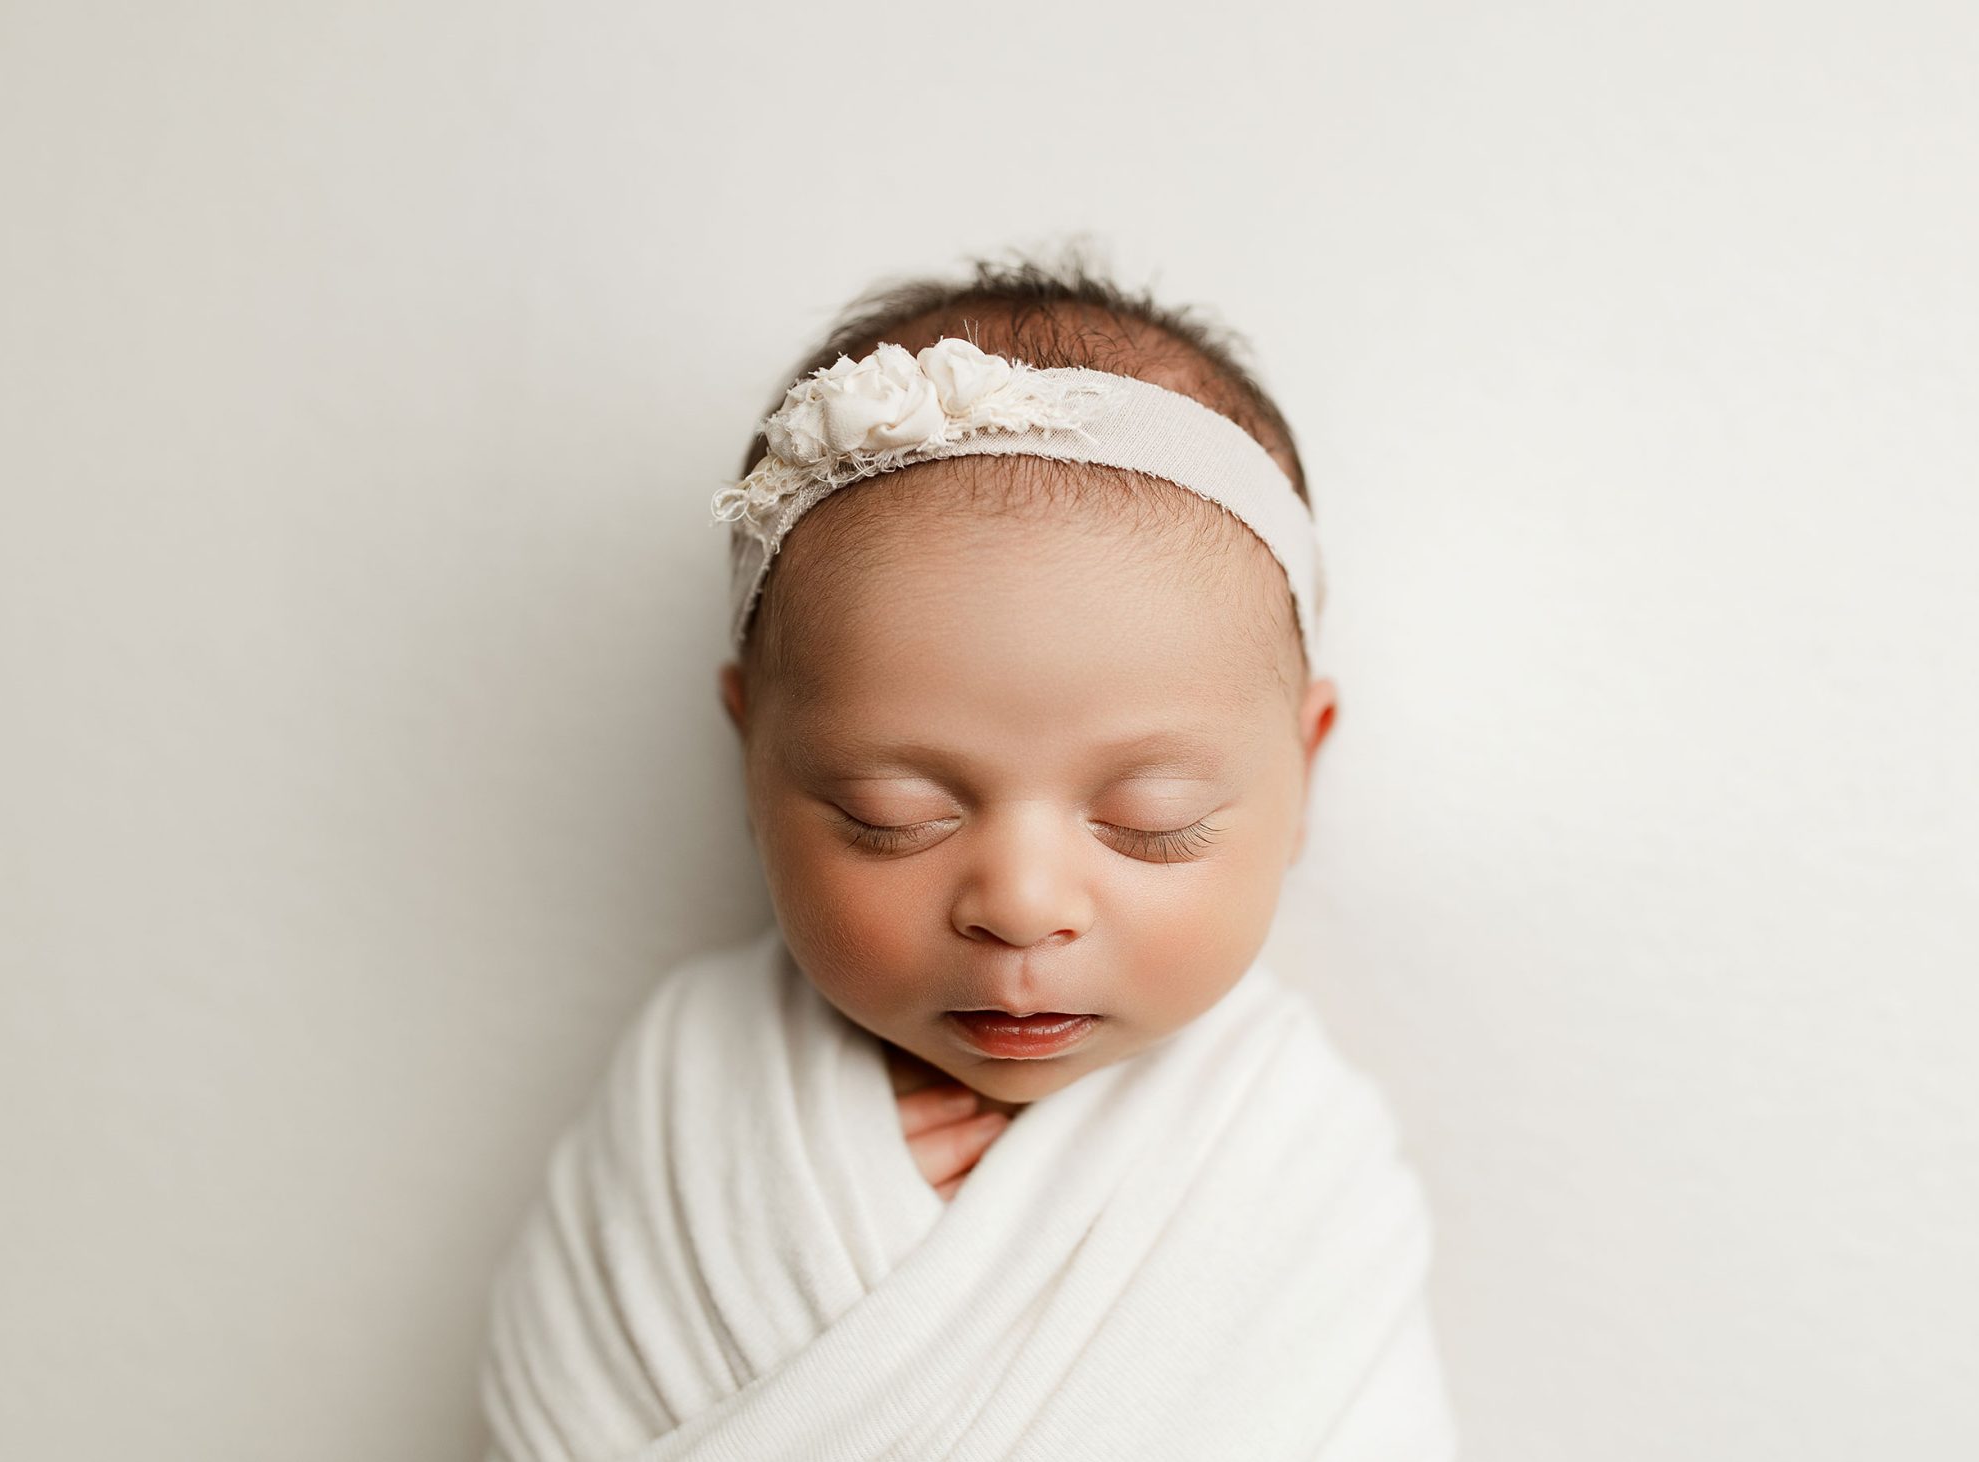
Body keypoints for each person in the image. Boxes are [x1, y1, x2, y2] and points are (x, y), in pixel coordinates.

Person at [479, 249, 1460, 1459]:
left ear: (1302, 769)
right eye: (892, 813)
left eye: (1151, 818)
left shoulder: (1293, 1162)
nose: (1022, 906)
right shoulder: (696, 1098)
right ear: (750, 760)